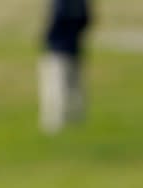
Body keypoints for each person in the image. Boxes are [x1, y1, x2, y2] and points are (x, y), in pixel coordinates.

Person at [39, 0, 92, 134]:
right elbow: (86, 20)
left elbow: (56, 20)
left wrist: (49, 39)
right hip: (73, 47)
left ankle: (55, 127)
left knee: (56, 89)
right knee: (74, 89)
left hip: (57, 49)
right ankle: (74, 122)